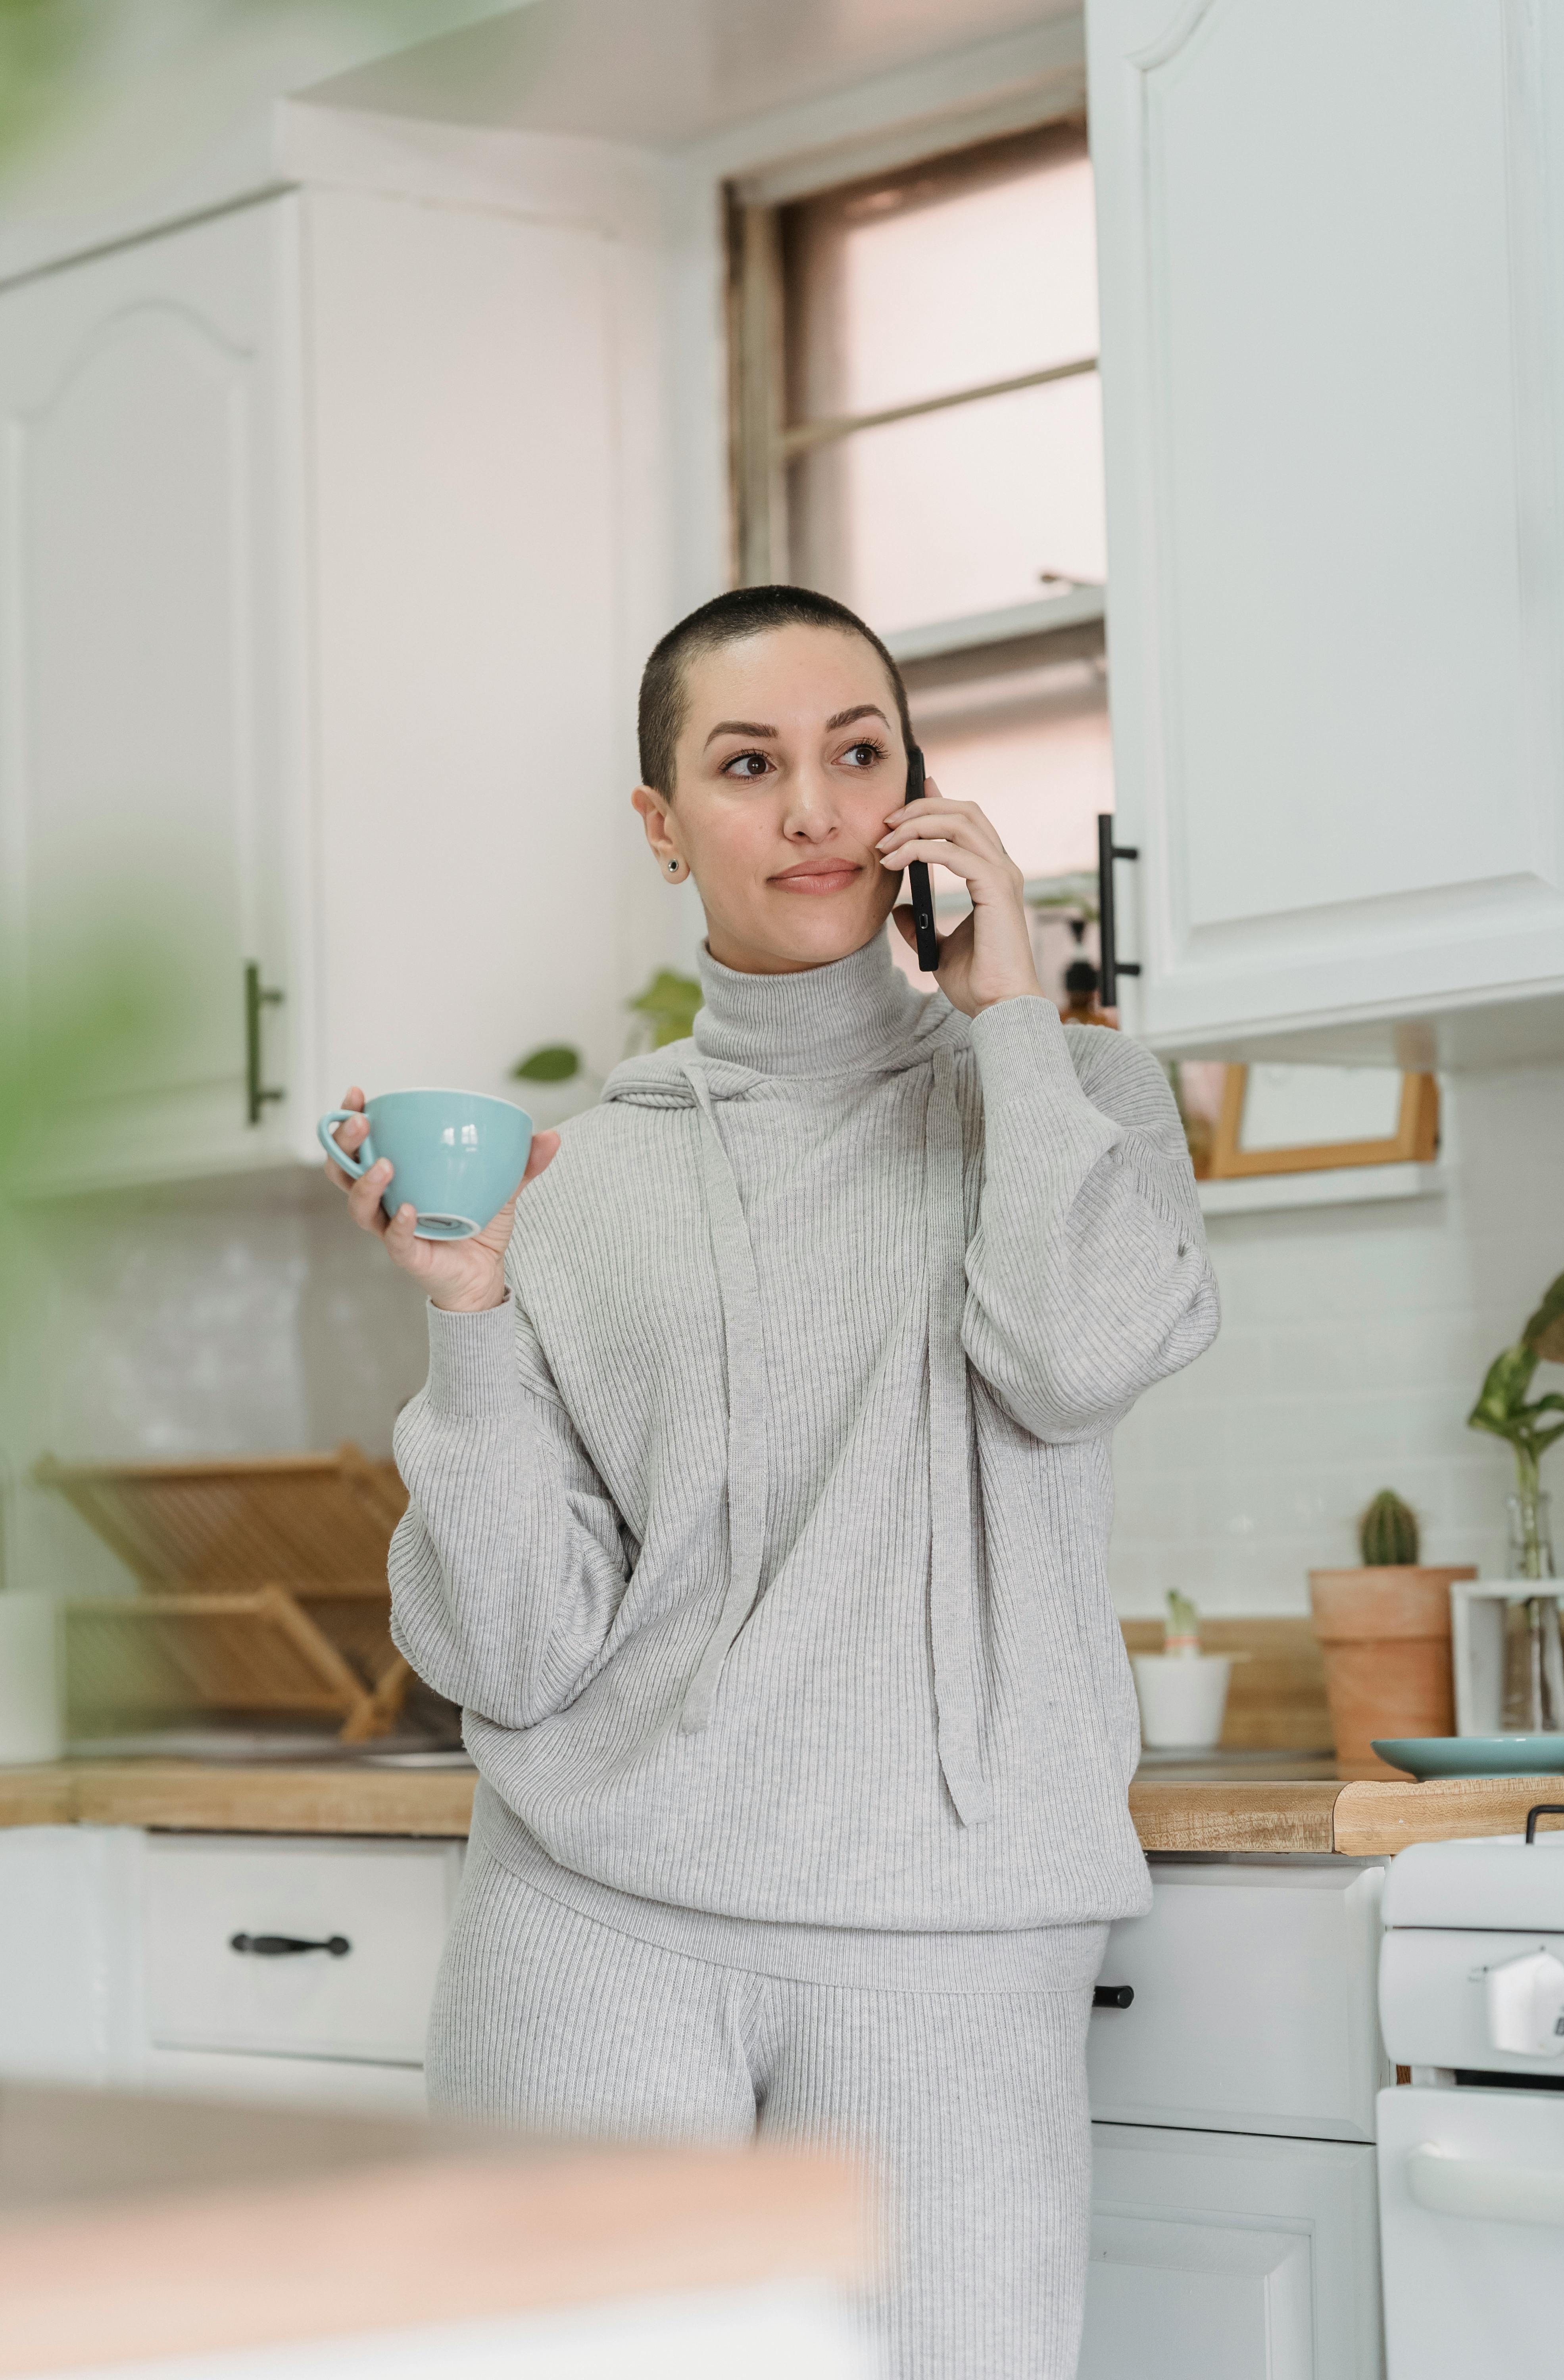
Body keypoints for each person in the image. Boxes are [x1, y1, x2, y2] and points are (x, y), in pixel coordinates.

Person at [325, 585, 1219, 2379]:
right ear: (662, 826)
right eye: (749, 764)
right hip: (585, 1929)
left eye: (857, 752)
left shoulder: (1077, 1100)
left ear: (916, 793)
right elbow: (507, 1653)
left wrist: (1012, 1020)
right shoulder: (567, 1177)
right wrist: (472, 1312)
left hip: (949, 1949)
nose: (814, 809)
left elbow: (1076, 1356)